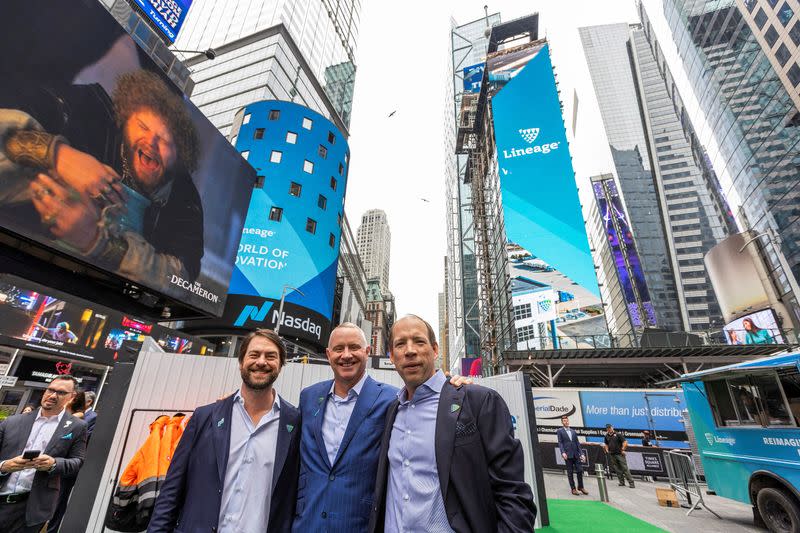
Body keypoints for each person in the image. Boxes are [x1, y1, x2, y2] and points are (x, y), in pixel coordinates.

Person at [0, 68, 204, 292]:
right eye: (143, 127)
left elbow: (180, 282)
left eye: (165, 140)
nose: (151, 142)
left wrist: (97, 240)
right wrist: (59, 156)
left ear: (180, 155)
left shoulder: (186, 201)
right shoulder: (86, 107)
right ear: (124, 121)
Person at [370, 315, 536, 532]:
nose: (410, 350)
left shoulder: (478, 401)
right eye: (400, 344)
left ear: (435, 349)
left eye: (419, 341)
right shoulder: (392, 410)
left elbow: (513, 494)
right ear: (391, 356)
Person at [148, 329, 301, 532]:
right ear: (241, 362)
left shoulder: (295, 423)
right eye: (254, 355)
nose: (262, 362)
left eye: (271, 356)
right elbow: (171, 490)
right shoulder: (205, 417)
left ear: (281, 365)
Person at [293, 322, 399, 532]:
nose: (346, 355)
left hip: (358, 524)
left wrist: (457, 388)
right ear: (328, 354)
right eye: (339, 349)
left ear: (367, 352)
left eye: (354, 347)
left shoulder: (391, 399)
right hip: (307, 523)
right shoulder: (309, 397)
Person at [0, 375, 87, 532]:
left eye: (60, 392)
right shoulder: (12, 422)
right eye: (50, 390)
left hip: (32, 509)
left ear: (72, 397)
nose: (53, 396)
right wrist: (4, 466)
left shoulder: (76, 427)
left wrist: (53, 464)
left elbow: (77, 461)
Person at [556, 415, 587, 496]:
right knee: (570, 472)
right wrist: (562, 452)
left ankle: (580, 487)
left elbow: (577, 443)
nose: (566, 422)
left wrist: (582, 454)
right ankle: (573, 489)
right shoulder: (560, 431)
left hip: (576, 454)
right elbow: (560, 442)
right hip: (567, 454)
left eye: (567, 420)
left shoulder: (573, 431)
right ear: (562, 422)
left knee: (580, 470)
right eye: (564, 421)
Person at [604, 424, 634, 488]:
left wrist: (623, 449)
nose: (609, 429)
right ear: (606, 429)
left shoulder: (618, 434)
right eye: (607, 428)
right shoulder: (606, 436)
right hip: (612, 454)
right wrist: (606, 449)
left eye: (610, 427)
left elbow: (625, 442)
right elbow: (606, 444)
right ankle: (621, 482)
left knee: (625, 468)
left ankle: (631, 483)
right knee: (617, 469)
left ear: (612, 427)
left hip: (619, 454)